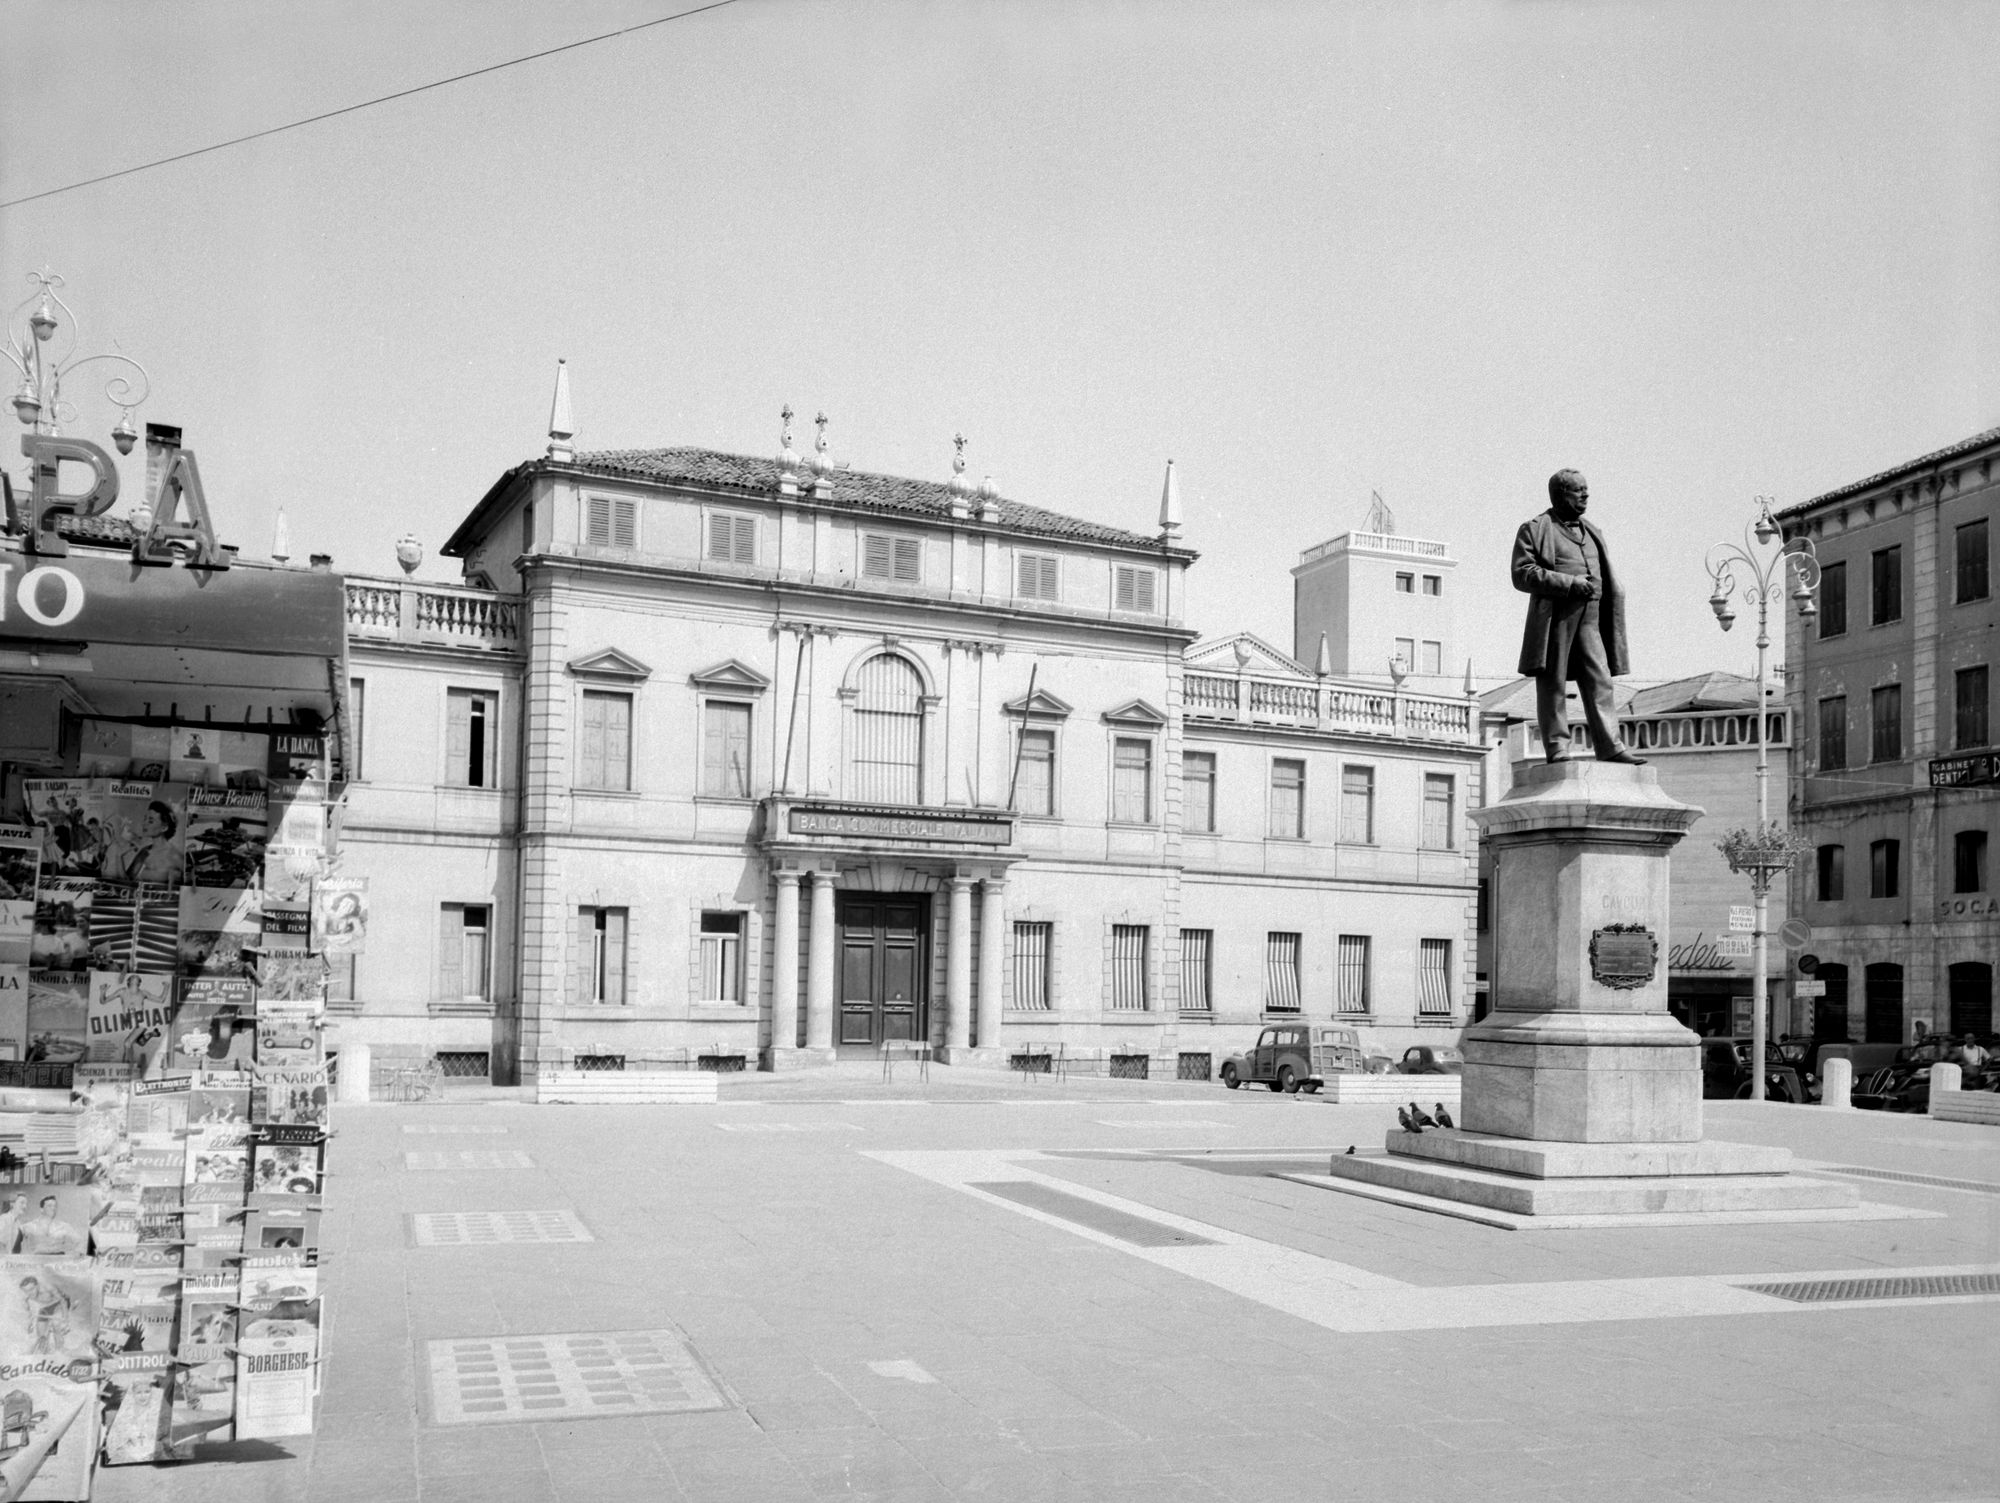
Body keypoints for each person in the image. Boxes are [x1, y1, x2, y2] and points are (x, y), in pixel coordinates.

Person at [1512, 469, 1646, 765]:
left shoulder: (1593, 531)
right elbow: (1522, 574)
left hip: (1591, 619)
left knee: (1600, 680)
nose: (1585, 495)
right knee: (1553, 683)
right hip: (1555, 618)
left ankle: (1610, 746)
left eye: (1586, 489)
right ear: (1560, 495)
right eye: (1577, 490)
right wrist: (1570, 584)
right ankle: (1557, 746)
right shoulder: (1535, 529)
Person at [15, 1195, 85, 1255]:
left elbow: (80, 1242)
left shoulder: (64, 1227)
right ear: (41, 1209)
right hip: (36, 1264)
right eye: (49, 1206)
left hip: (57, 1264)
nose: (53, 1208)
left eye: (55, 1206)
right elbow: (14, 1249)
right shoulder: (28, 1227)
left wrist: (75, 1256)